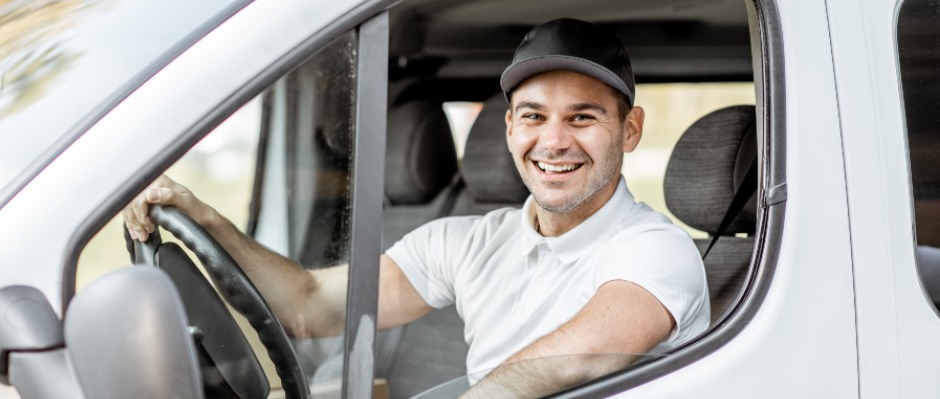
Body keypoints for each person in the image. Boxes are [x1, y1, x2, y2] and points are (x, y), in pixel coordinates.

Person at [123, 18, 710, 398]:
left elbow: (562, 368)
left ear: (629, 130)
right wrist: (205, 218)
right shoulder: (466, 241)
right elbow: (308, 306)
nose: (553, 141)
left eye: (582, 117)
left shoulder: (656, 251)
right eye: (534, 116)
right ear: (508, 129)